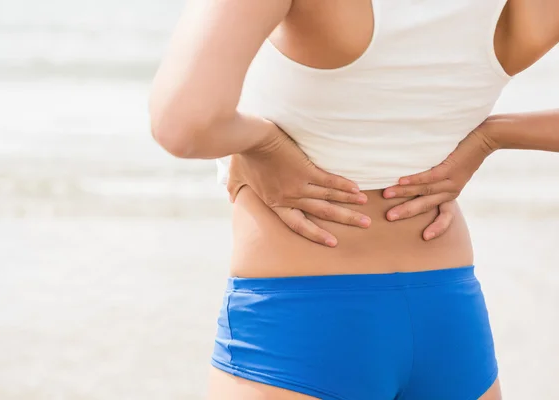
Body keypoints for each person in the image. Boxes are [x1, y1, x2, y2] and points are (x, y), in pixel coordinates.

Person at [149, 0, 559, 399]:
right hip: (448, 314)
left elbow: (185, 124)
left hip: (302, 323)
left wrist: (263, 144)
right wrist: (494, 135)